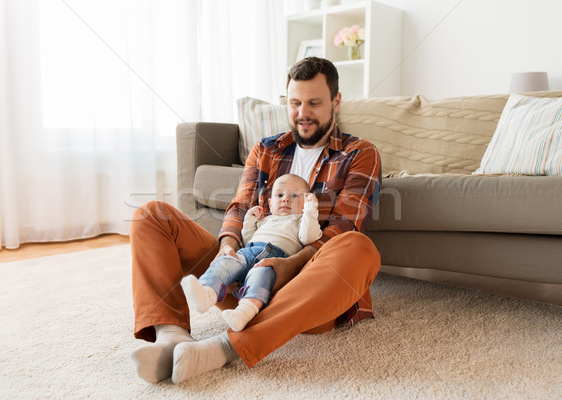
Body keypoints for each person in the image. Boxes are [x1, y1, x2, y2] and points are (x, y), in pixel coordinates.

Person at [129, 57, 382, 385]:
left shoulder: (359, 153)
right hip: (239, 276)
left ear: (336, 101)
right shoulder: (266, 149)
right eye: (294, 103)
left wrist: (287, 266)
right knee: (151, 215)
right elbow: (240, 206)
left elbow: (342, 227)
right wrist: (228, 247)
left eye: (314, 103)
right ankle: (172, 339)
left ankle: (223, 348)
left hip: (305, 291)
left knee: (359, 248)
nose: (302, 112)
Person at [181, 174, 322, 332]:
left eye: (294, 195)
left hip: (273, 259)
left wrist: (311, 210)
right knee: (226, 261)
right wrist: (250, 220)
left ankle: (244, 312)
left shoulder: (301, 220)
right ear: (270, 202)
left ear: (306, 200)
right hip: (248, 252)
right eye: (280, 195)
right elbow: (248, 239)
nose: (286, 199)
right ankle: (207, 291)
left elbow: (309, 237)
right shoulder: (266, 219)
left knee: (260, 276)